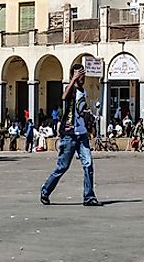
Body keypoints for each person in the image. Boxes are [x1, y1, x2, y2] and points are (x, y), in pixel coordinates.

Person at [40, 63, 100, 206]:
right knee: (62, 166)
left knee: (88, 164)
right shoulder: (71, 89)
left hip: (82, 134)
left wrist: (88, 117)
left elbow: (81, 109)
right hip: (69, 134)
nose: (81, 78)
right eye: (79, 75)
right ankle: (45, 190)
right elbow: (63, 97)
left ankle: (89, 196)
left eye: (82, 75)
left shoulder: (83, 91)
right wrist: (73, 80)